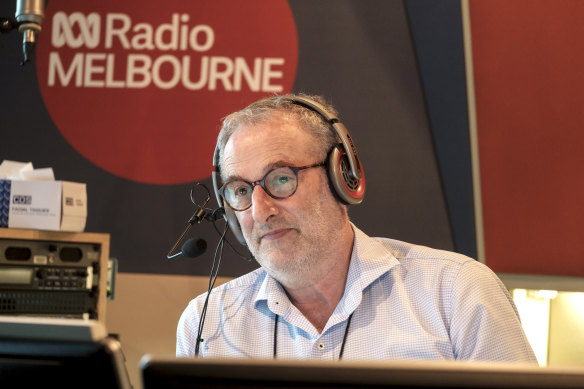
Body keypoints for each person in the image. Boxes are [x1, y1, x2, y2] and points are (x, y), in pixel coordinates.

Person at [176, 93, 537, 363]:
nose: (260, 210)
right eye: (240, 190)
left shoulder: (458, 293)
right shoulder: (206, 326)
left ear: (342, 176)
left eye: (282, 179)